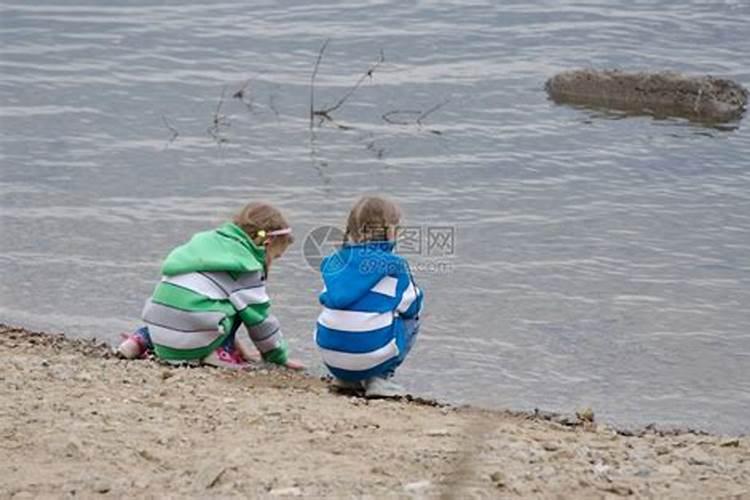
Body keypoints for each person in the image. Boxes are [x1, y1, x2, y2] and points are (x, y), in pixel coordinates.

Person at [117, 201, 303, 370]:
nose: (271, 263)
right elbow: (259, 321)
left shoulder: (206, 243)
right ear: (267, 243)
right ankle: (221, 352)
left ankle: (139, 340)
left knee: (188, 303)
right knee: (246, 307)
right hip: (192, 337)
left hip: (158, 328)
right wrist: (278, 357)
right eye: (274, 257)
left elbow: (207, 298)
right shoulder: (246, 267)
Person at [315, 196, 423, 397]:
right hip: (369, 356)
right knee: (410, 320)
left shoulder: (334, 262)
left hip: (332, 358)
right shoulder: (394, 265)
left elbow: (325, 298)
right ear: (392, 231)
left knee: (340, 314)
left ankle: (346, 378)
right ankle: (380, 379)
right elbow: (413, 306)